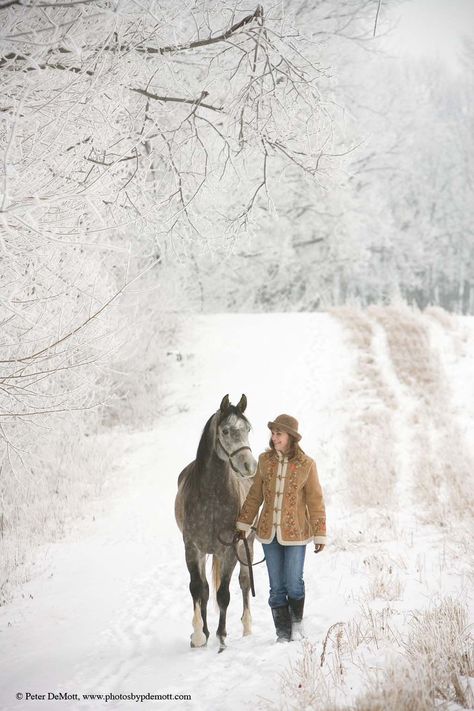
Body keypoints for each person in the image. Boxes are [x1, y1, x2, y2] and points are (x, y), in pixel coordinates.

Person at [236, 414, 326, 643]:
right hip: (268, 533)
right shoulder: (265, 461)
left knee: (294, 583)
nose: (274, 438)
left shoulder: (307, 465)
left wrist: (320, 533)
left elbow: (315, 501)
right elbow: (255, 495)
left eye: (279, 434)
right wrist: (244, 524)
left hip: (296, 534)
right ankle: (282, 634)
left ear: (291, 437)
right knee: (276, 587)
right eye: (273, 433)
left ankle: (296, 624)